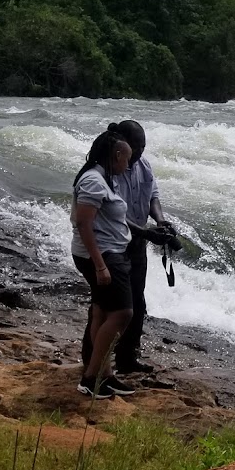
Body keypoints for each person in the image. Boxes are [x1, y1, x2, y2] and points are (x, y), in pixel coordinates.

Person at [81, 120, 172, 375]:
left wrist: (160, 220)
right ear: (121, 145)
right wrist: (145, 232)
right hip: (114, 244)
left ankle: (127, 358)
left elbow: (153, 196)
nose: (140, 152)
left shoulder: (143, 165)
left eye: (143, 147)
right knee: (107, 306)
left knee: (136, 302)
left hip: (138, 242)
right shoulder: (107, 173)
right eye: (137, 147)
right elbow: (114, 215)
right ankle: (92, 361)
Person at [71, 130, 138, 398]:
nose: (129, 165)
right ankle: (91, 378)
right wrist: (100, 265)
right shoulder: (94, 180)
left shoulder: (104, 178)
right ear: (117, 155)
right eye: (127, 159)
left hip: (107, 252)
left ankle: (104, 374)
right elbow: (83, 223)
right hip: (103, 255)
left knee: (101, 312)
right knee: (123, 314)